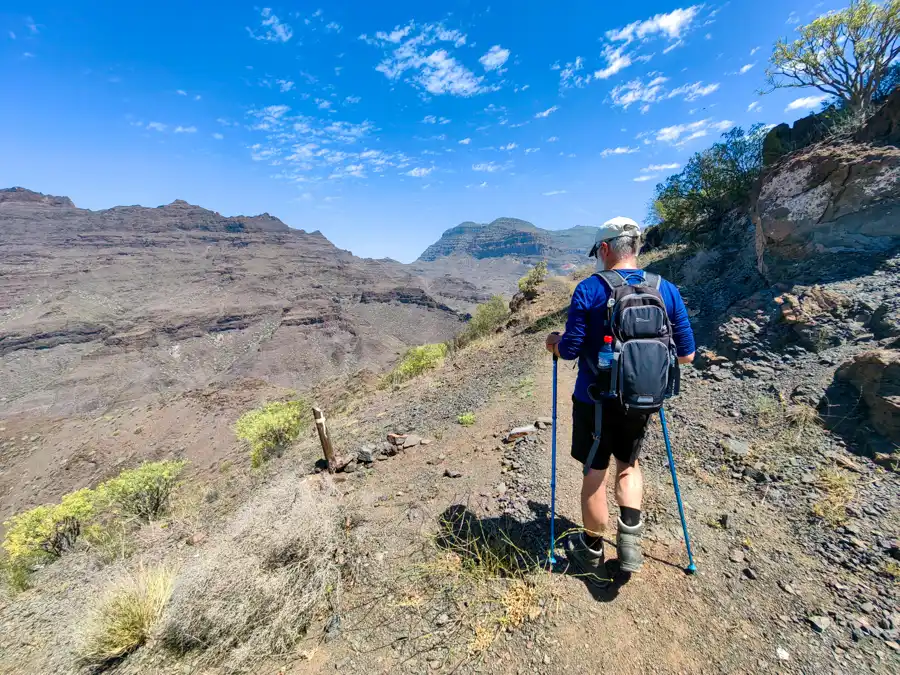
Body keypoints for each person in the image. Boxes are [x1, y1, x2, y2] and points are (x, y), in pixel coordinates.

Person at [546, 216, 695, 584]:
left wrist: (552, 341)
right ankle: (629, 544)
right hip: (642, 399)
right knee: (629, 464)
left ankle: (592, 547)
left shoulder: (589, 289)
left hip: (594, 399)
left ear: (605, 249)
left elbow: (570, 350)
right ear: (637, 248)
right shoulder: (665, 288)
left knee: (594, 471)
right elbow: (686, 354)